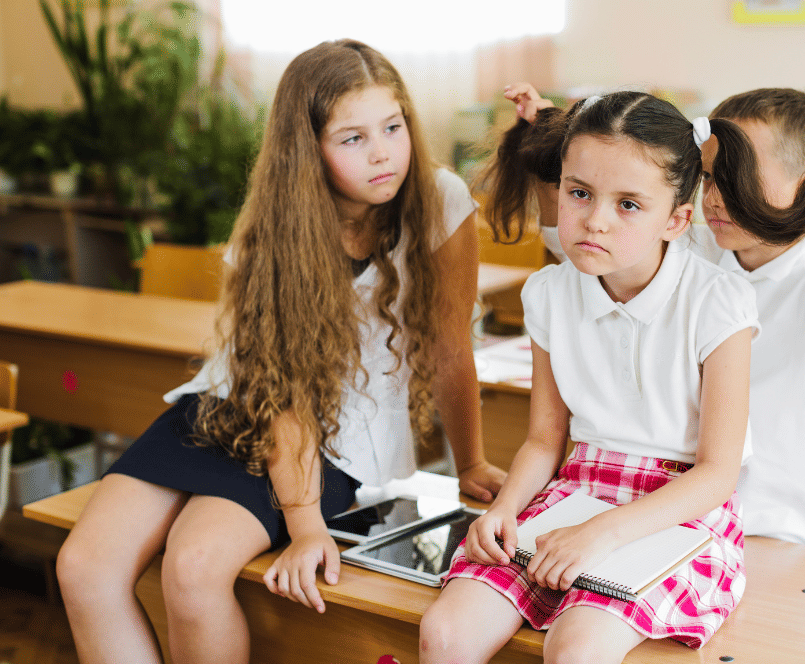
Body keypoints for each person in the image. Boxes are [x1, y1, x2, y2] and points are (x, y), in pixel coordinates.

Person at [55, 39, 505, 664]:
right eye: (352, 138)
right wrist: (304, 525)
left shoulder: (441, 200)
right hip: (239, 406)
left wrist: (472, 462)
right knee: (83, 565)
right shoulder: (275, 236)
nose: (383, 153)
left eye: (393, 127)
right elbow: (280, 390)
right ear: (307, 152)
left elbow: (453, 347)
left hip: (336, 440)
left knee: (194, 565)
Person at [499, 83, 805, 550]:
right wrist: (549, 141)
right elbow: (580, 245)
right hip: (667, 521)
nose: (716, 197)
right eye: (711, 177)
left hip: (777, 535)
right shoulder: (688, 248)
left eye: (740, 176)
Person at [420, 91, 762, 663]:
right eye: (579, 193)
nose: (594, 220)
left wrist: (602, 533)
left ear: (678, 219)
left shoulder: (718, 302)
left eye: (628, 204)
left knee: (577, 649)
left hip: (679, 511)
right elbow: (543, 439)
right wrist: (503, 510)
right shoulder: (550, 294)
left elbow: (717, 474)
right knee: (445, 634)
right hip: (574, 491)